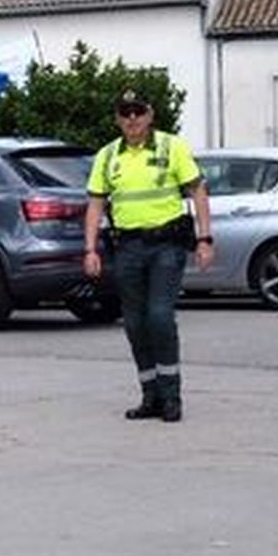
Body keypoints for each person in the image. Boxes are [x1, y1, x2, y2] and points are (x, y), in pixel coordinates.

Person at [83, 88, 213, 423]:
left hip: (166, 245)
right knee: (135, 323)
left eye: (138, 112)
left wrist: (205, 239)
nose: (132, 119)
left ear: (150, 115)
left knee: (159, 316)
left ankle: (171, 397)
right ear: (117, 119)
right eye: (125, 113)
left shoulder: (172, 147)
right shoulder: (107, 156)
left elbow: (198, 191)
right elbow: (96, 203)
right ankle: (150, 395)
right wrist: (90, 249)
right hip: (127, 247)